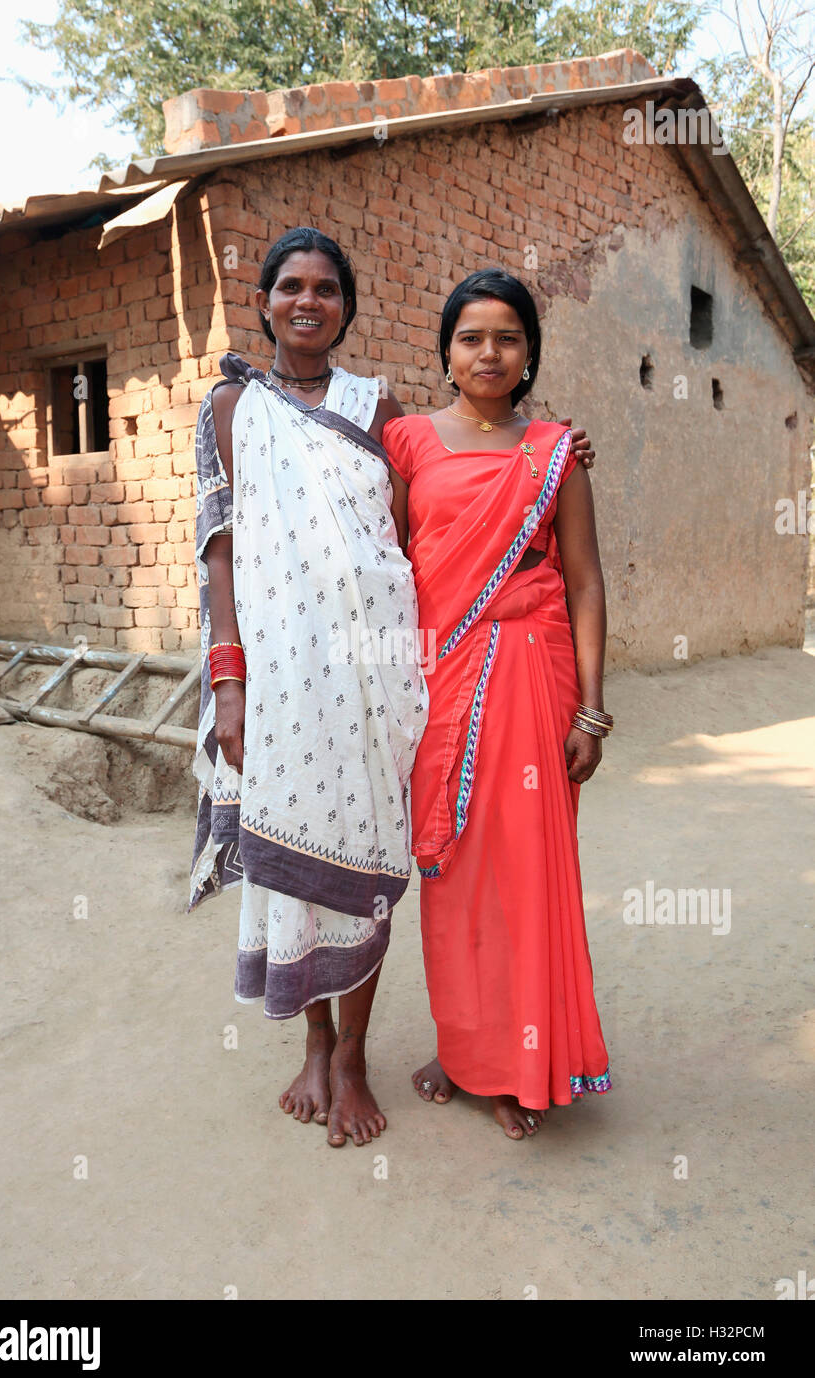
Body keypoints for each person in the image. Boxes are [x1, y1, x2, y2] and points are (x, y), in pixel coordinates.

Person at [189, 230, 596, 1149]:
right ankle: (316, 1046)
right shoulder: (227, 409)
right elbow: (219, 553)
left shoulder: (381, 412)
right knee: (296, 862)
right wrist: (230, 684)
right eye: (289, 286)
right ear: (262, 303)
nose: (307, 301)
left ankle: (358, 1055)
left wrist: (559, 462)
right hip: (283, 680)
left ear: (347, 307)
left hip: (381, 681)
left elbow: (425, 530)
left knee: (370, 857)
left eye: (326, 289)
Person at [381, 268, 612, 1142]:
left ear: (528, 355)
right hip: (442, 684)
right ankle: (466, 1048)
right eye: (472, 336)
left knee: (525, 876)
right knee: (453, 878)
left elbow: (586, 584)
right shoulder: (406, 443)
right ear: (446, 353)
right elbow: (391, 570)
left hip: (532, 681)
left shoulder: (556, 453)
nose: (489, 351)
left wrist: (590, 712)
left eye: (507, 337)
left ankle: (524, 1063)